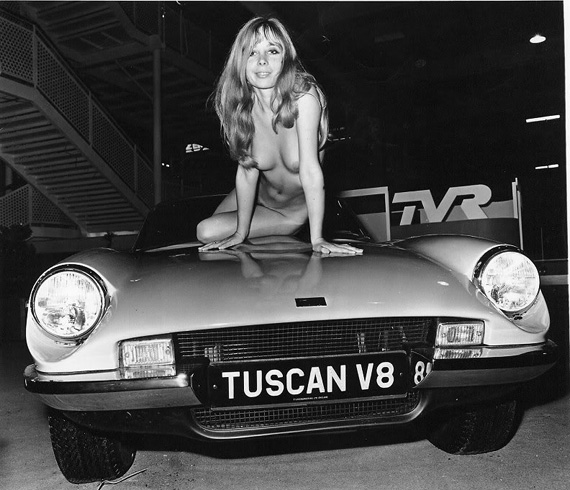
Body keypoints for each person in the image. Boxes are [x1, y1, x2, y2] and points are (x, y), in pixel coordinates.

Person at [197, 16, 362, 255]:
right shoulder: (242, 107)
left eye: (272, 51)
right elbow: (247, 172)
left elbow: (310, 171)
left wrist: (317, 239)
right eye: (252, 52)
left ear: (286, 59)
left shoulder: (304, 98)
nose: (262, 60)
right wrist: (240, 232)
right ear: (240, 62)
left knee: (208, 231)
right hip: (256, 196)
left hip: (287, 214)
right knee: (205, 233)